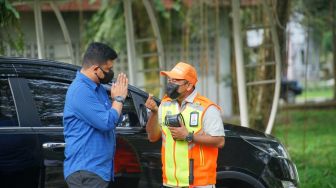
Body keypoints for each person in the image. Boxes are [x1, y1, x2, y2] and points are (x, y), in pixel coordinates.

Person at [145, 62, 225, 188]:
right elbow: (152, 137)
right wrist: (154, 113)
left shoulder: (207, 108)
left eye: (175, 80)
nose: (170, 84)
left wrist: (189, 136)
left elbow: (220, 141)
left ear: (189, 85)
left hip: (199, 183)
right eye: (169, 79)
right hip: (170, 182)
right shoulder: (165, 104)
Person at [63, 42, 128, 188]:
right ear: (95, 69)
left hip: (97, 171)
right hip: (86, 172)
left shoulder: (96, 88)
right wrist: (118, 99)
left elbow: (113, 118)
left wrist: (116, 103)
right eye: (108, 69)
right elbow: (106, 123)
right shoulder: (80, 91)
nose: (111, 72)